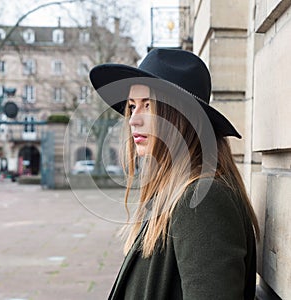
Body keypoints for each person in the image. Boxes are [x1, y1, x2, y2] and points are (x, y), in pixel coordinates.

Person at [89, 48, 259, 300]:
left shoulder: (202, 199)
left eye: (148, 105)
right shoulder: (177, 193)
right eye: (132, 106)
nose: (133, 120)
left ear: (180, 116)